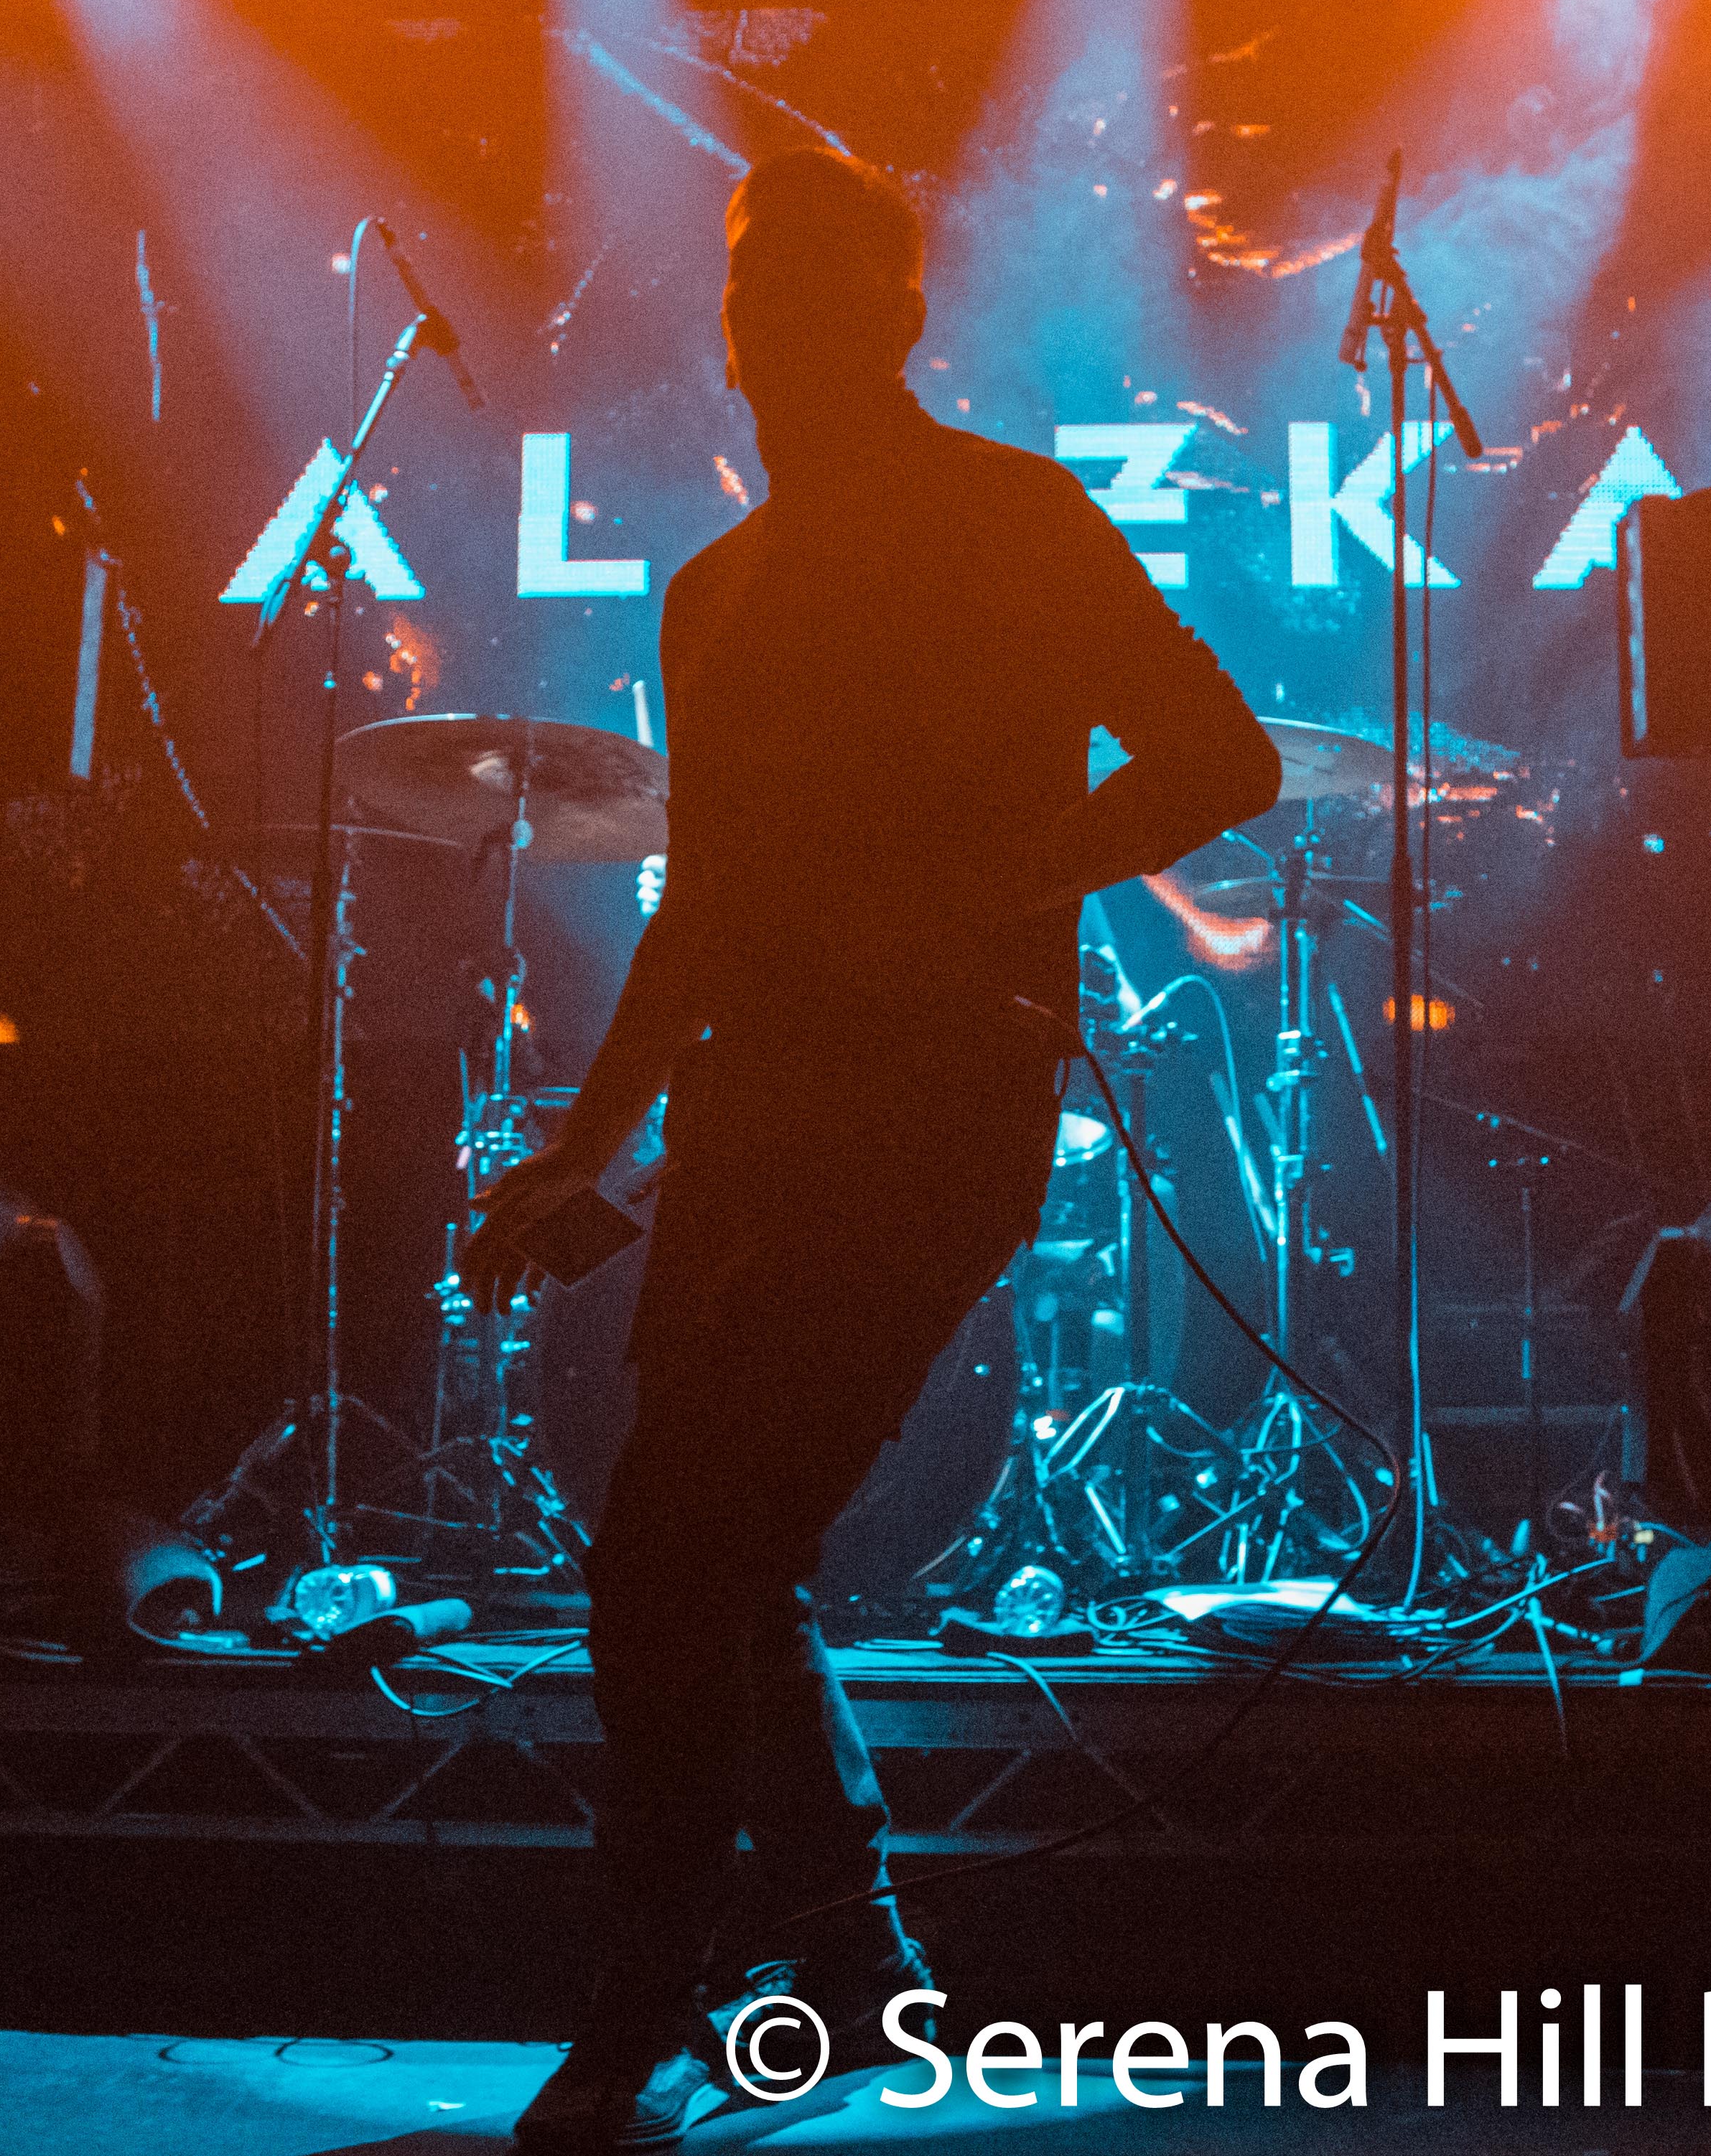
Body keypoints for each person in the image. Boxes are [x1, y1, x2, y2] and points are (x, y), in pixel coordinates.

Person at [465, 146, 1279, 2150]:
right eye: (759, 290)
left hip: (936, 1105)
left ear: (894, 320)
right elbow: (702, 905)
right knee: (715, 1554)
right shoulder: (715, 590)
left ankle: (649, 1998)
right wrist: (584, 1146)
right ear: (735, 326)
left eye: (816, 292)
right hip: (754, 1114)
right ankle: (851, 1953)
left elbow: (1219, 756)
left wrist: (994, 884)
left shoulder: (1009, 518)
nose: (775, 326)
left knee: (676, 1548)